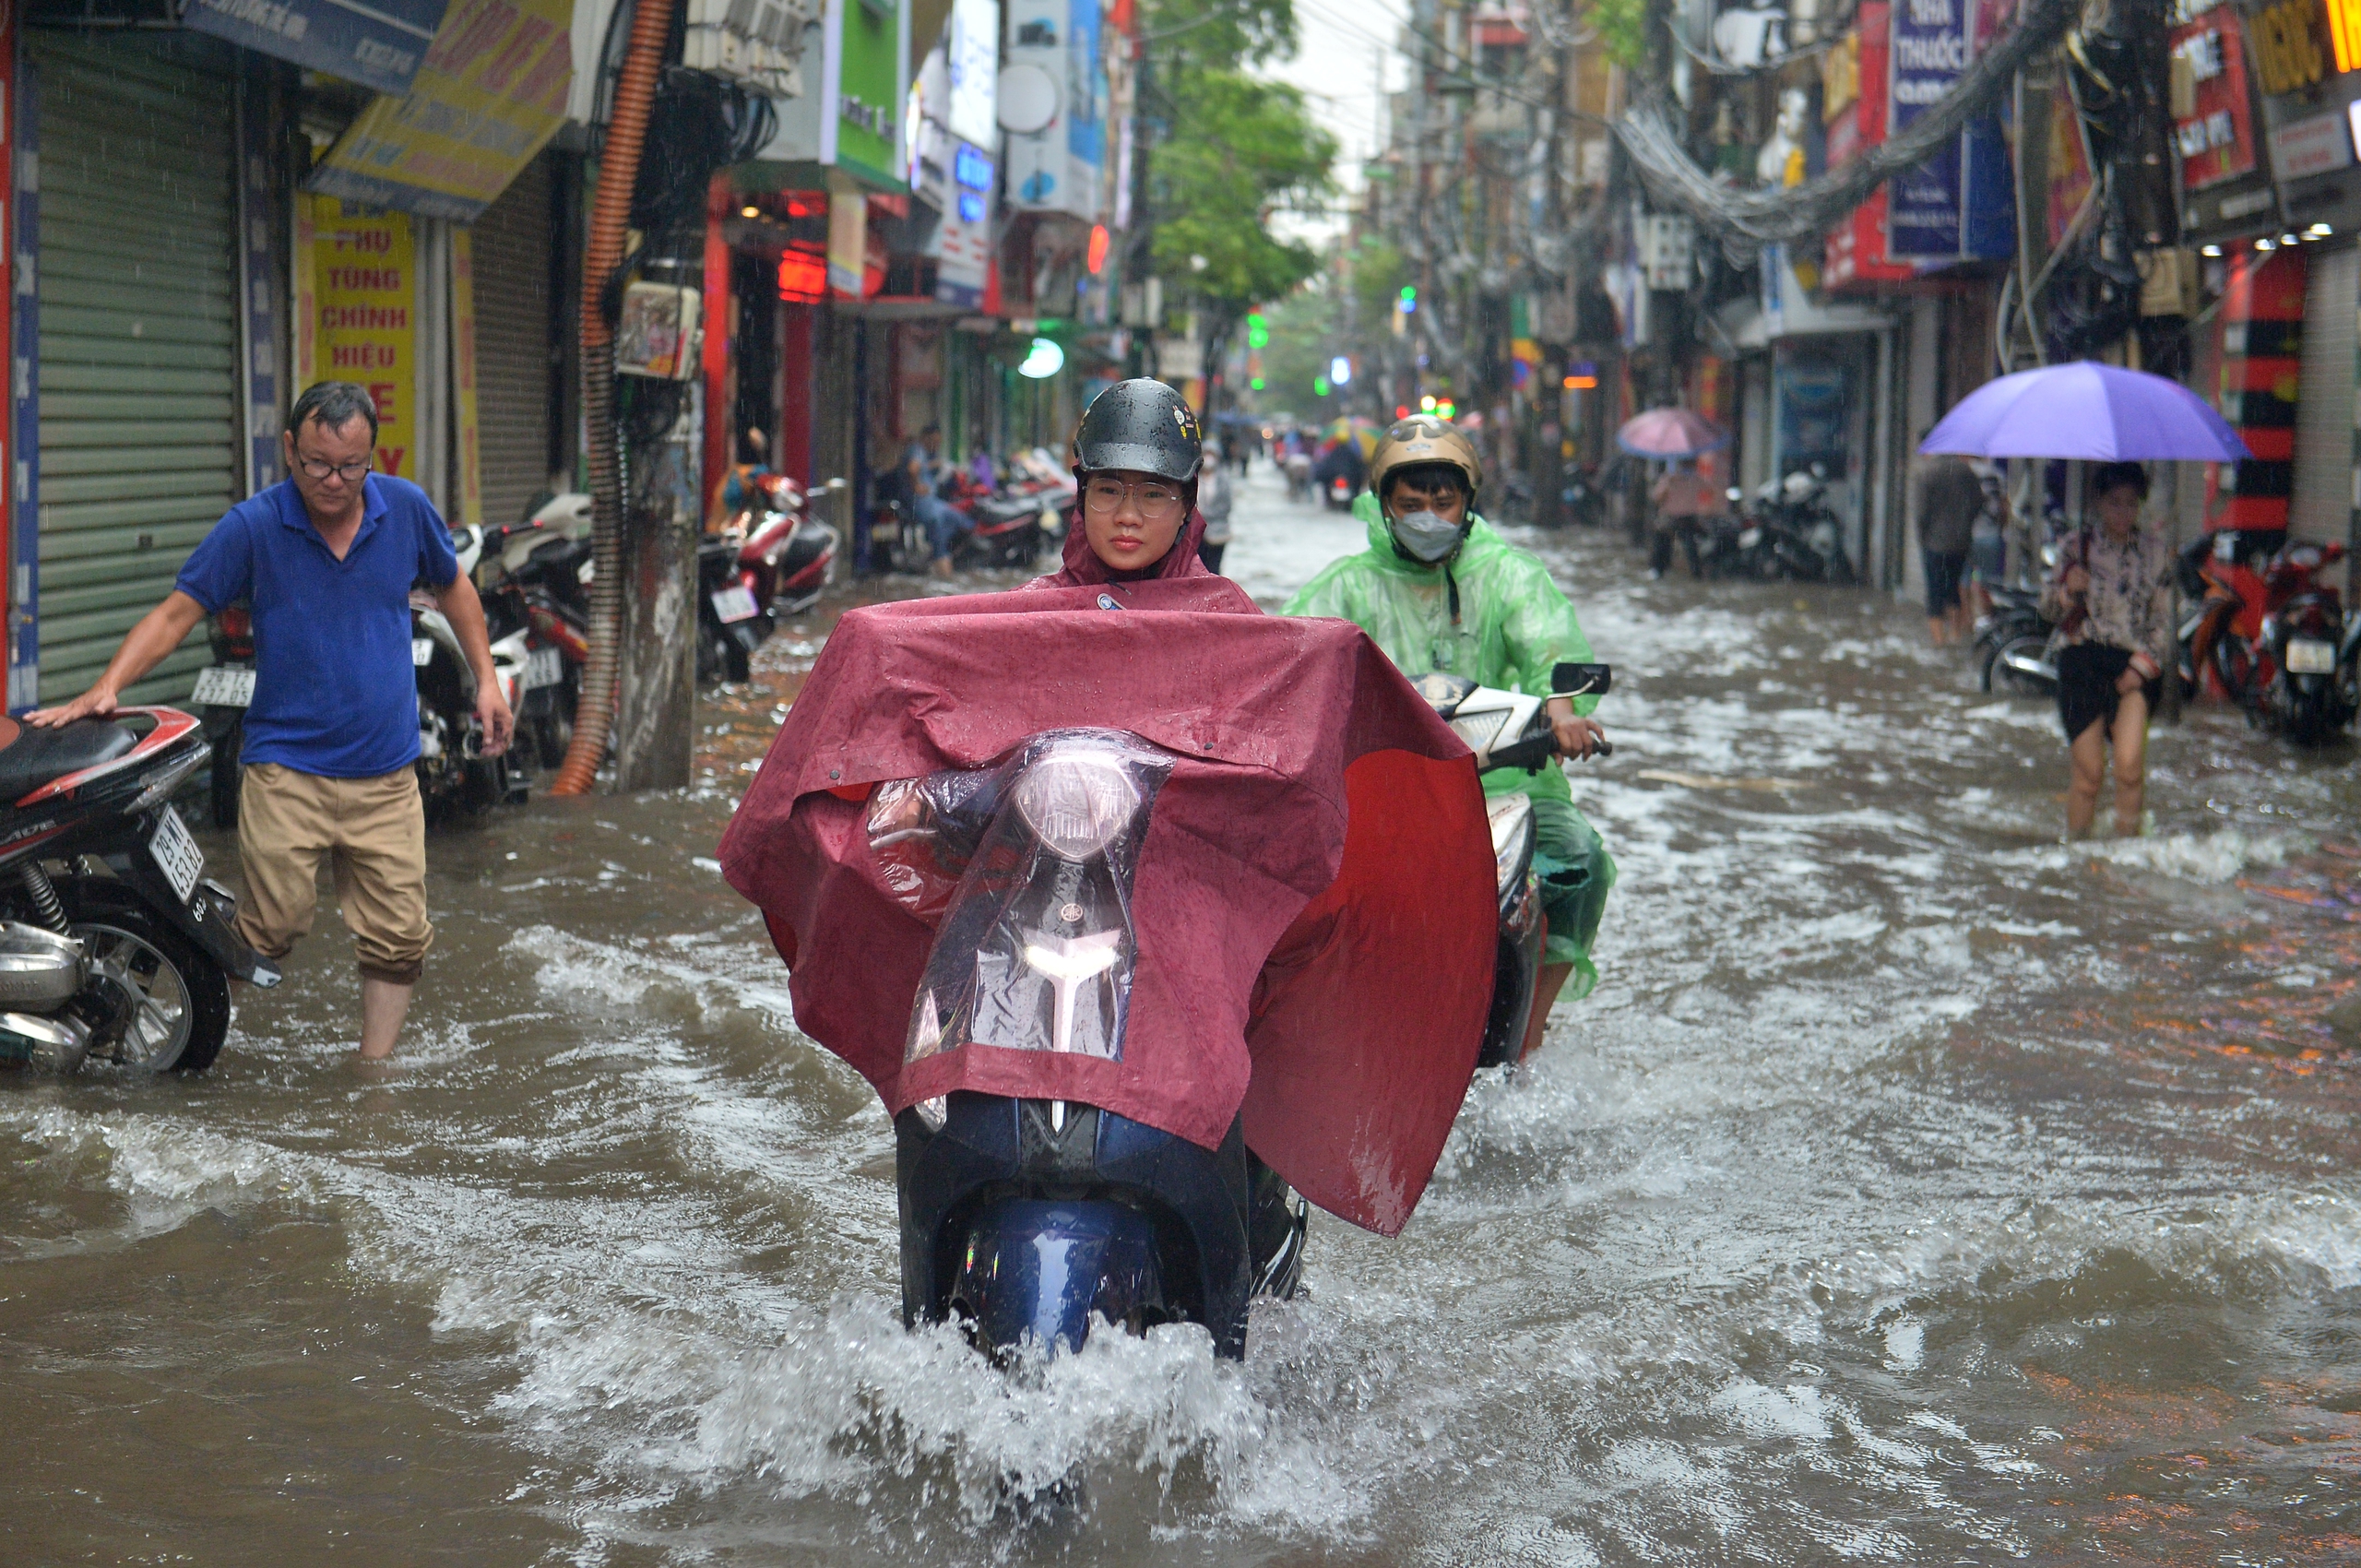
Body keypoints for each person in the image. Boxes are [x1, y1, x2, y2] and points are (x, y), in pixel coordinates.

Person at [28, 380, 513, 1061]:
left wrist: (487, 681)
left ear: (373, 456)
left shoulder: (405, 509)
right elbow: (177, 612)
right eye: (316, 463)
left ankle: (373, 1084)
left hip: (387, 773)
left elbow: (455, 586)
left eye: (351, 466)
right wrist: (107, 685)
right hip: (287, 768)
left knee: (399, 939)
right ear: (290, 448)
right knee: (272, 926)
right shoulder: (253, 525)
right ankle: (159, 1018)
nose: (334, 481)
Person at [1284, 414, 1615, 1057]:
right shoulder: (1344, 585)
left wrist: (1563, 712)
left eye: (1444, 501)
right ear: (1384, 507)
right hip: (1384, 786)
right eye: (1411, 504)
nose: (1429, 515)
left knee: (1578, 864)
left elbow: (1552, 648)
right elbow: (1297, 667)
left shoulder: (1511, 575)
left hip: (1510, 782)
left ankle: (1532, 1030)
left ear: (1468, 504)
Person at [2040, 461, 2171, 838]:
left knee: (2129, 768)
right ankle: (2078, 852)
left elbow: (2163, 622)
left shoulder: (2156, 554)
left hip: (2132, 664)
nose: (2123, 512)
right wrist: (2067, 591)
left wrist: (2141, 668)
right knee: (2089, 775)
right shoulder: (2074, 547)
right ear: (2098, 501)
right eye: (2115, 502)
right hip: (2081, 662)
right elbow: (2046, 610)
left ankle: (2126, 852)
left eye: (2131, 503)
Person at [1029, 378, 1212, 588]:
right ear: (1083, 498)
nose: (1127, 517)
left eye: (1153, 494)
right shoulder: (1035, 612)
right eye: (1108, 491)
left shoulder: (1222, 616)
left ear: (1186, 506)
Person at [1917, 447, 1983, 646]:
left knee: (1934, 590)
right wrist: (1965, 526)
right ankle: (1955, 634)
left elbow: (1921, 512)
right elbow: (1978, 503)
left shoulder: (1928, 472)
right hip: (1961, 542)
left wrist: (1923, 537)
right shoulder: (1967, 472)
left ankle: (1939, 641)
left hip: (1934, 543)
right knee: (1953, 588)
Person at [1647, 455, 1727, 578]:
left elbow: (1657, 497)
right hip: (1685, 518)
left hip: (1674, 517)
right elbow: (1712, 491)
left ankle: (1659, 569)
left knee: (1666, 543)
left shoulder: (1671, 478)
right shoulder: (1695, 478)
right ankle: (1695, 573)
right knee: (1689, 546)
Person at [902, 424, 965, 577]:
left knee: (955, 516)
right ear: (925, 438)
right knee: (938, 523)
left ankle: (941, 555)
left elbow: (919, 467)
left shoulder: (923, 453)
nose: (936, 446)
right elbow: (912, 469)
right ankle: (940, 558)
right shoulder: (917, 450)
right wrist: (916, 486)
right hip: (921, 504)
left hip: (932, 502)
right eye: (934, 442)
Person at [1197, 438, 1235, 574]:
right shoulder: (1193, 478)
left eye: (1212, 454)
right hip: (1196, 533)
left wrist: (1205, 513)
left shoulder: (1223, 479)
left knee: (1214, 568)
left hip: (1218, 533)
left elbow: (1227, 506)